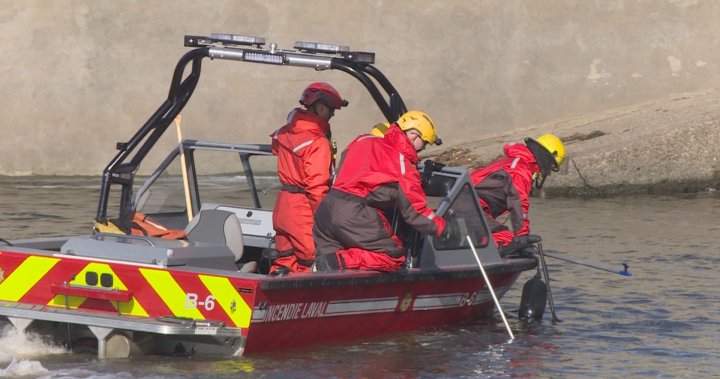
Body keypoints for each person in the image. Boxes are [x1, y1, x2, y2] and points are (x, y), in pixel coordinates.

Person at [313, 110, 446, 272]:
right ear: (414, 136)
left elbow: (345, 167)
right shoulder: (403, 165)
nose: (422, 149)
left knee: (328, 269)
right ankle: (337, 262)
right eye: (424, 143)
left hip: (326, 210)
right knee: (393, 256)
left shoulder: (363, 139)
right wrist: (444, 228)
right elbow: (416, 213)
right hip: (355, 215)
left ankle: (325, 279)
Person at [269, 82, 348, 276]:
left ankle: (276, 300)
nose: (332, 117)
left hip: (282, 207)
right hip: (302, 210)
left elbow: (276, 149)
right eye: (331, 111)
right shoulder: (318, 141)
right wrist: (326, 221)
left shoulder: (285, 131)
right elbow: (316, 187)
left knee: (284, 260)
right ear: (321, 107)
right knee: (309, 262)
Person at [469, 134, 566, 251]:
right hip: (468, 205)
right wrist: (522, 236)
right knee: (504, 241)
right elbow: (518, 202)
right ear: (546, 158)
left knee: (504, 242)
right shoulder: (520, 169)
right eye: (550, 166)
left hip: (469, 204)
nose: (548, 172)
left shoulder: (517, 163)